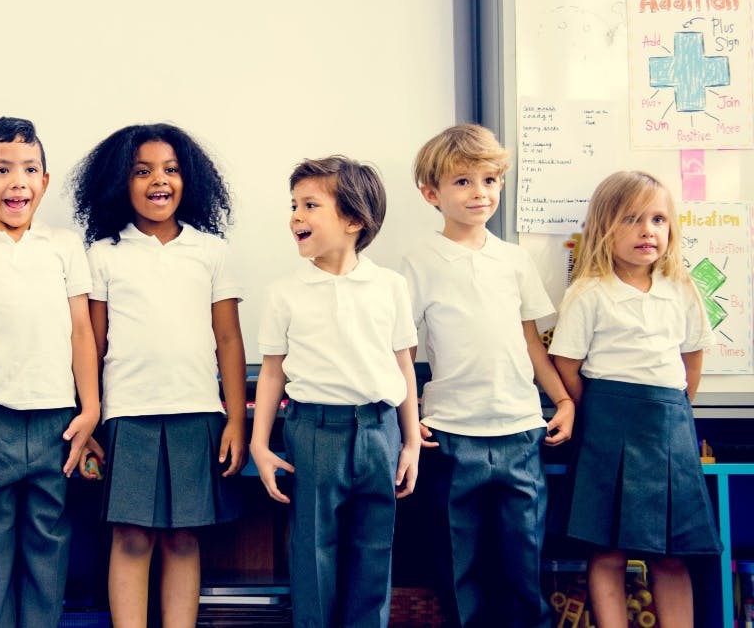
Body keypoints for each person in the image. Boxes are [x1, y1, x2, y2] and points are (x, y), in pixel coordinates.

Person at [70, 123, 246, 628]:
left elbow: (229, 341)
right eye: (142, 171)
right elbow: (93, 344)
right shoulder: (104, 253)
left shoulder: (211, 252)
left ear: (188, 179)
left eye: (170, 170)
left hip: (197, 413)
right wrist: (91, 417)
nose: (158, 181)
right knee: (130, 535)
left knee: (184, 535)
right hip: (128, 415)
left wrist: (236, 420)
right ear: (118, 183)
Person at [400, 124, 573, 627]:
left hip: (520, 429)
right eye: (463, 182)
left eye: (490, 180)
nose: (480, 193)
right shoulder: (418, 262)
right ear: (431, 193)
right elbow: (403, 352)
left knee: (524, 562)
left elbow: (531, 345)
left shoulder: (515, 260)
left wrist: (561, 400)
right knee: (459, 565)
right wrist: (408, 418)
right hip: (451, 434)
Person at [0, 117, 101, 628]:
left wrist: (91, 407)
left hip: (56, 414)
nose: (18, 182)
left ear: (45, 181)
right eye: (1, 170)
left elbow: (82, 331)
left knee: (48, 535)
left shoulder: (64, 246)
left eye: (30, 169)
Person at [250, 156, 421, 628]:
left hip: (378, 431)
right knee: (312, 550)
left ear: (353, 220)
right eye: (293, 205)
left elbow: (402, 363)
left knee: (374, 550)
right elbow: (271, 373)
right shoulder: (285, 291)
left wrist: (410, 444)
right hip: (313, 431)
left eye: (310, 205)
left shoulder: (390, 286)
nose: (296, 217)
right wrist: (260, 444)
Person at [550, 170, 721, 628]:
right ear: (605, 228)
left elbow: (693, 360)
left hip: (670, 425)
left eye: (659, 219)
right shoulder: (589, 293)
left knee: (672, 551)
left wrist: (675, 412)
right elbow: (566, 362)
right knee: (607, 549)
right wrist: (597, 409)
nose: (648, 230)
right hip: (606, 424)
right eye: (632, 219)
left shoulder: (681, 289)